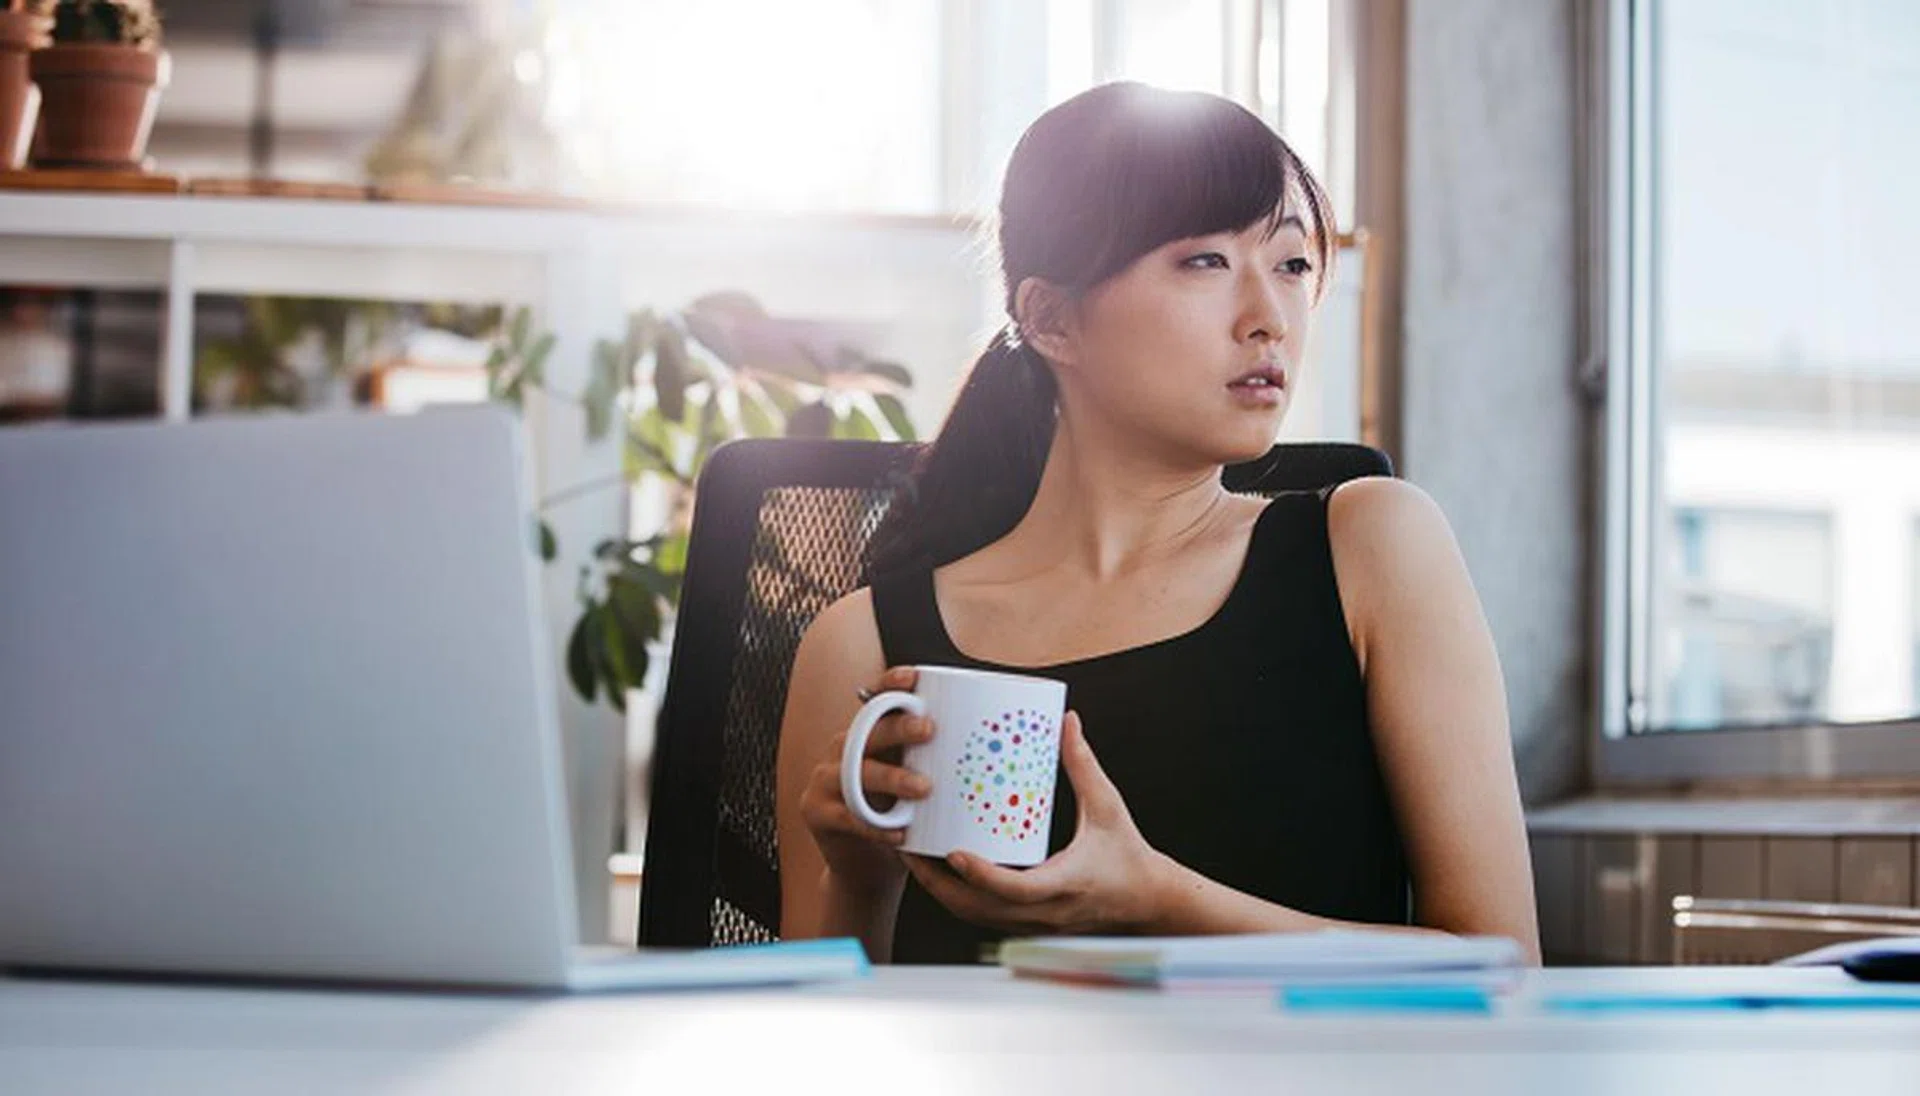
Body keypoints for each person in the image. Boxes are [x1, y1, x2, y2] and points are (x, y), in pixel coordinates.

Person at [773, 81, 1540, 965]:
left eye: (1291, 265)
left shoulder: (1370, 548)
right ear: (1051, 317)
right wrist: (862, 884)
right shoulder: (866, 646)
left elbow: (1504, 968)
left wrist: (1157, 903)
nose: (1269, 319)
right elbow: (823, 1049)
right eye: (1205, 262)